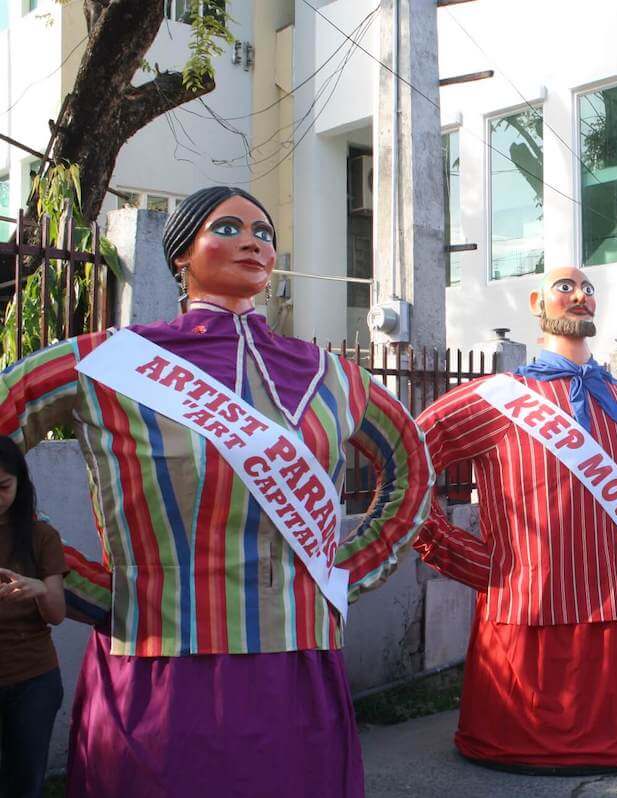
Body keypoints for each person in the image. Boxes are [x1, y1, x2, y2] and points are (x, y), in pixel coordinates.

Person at [0, 186, 435, 797]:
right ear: (180, 253)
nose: (253, 241)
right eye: (227, 228)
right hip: (157, 665)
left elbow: (412, 467)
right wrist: (73, 582)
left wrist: (345, 573)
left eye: (264, 232)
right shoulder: (106, 362)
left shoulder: (334, 377)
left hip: (297, 664)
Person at [413, 267, 617, 773]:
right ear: (537, 302)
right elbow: (410, 463)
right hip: (527, 593)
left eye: (588, 289)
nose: (579, 296)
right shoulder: (493, 397)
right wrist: (467, 558)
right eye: (565, 287)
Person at [0, 437, 66, 797]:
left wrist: (39, 589)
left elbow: (56, 614)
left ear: (20, 484)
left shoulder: (41, 535)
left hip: (33, 679)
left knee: (24, 782)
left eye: (3, 487)